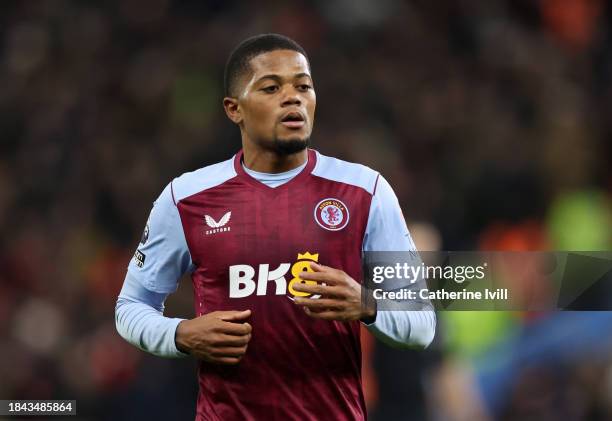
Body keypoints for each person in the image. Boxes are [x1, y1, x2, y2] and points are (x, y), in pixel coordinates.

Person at [115, 33, 435, 421]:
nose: (293, 97)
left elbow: (422, 324)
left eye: (304, 86)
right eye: (271, 87)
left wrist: (367, 306)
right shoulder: (186, 198)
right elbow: (131, 306)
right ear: (234, 109)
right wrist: (180, 335)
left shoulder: (365, 191)